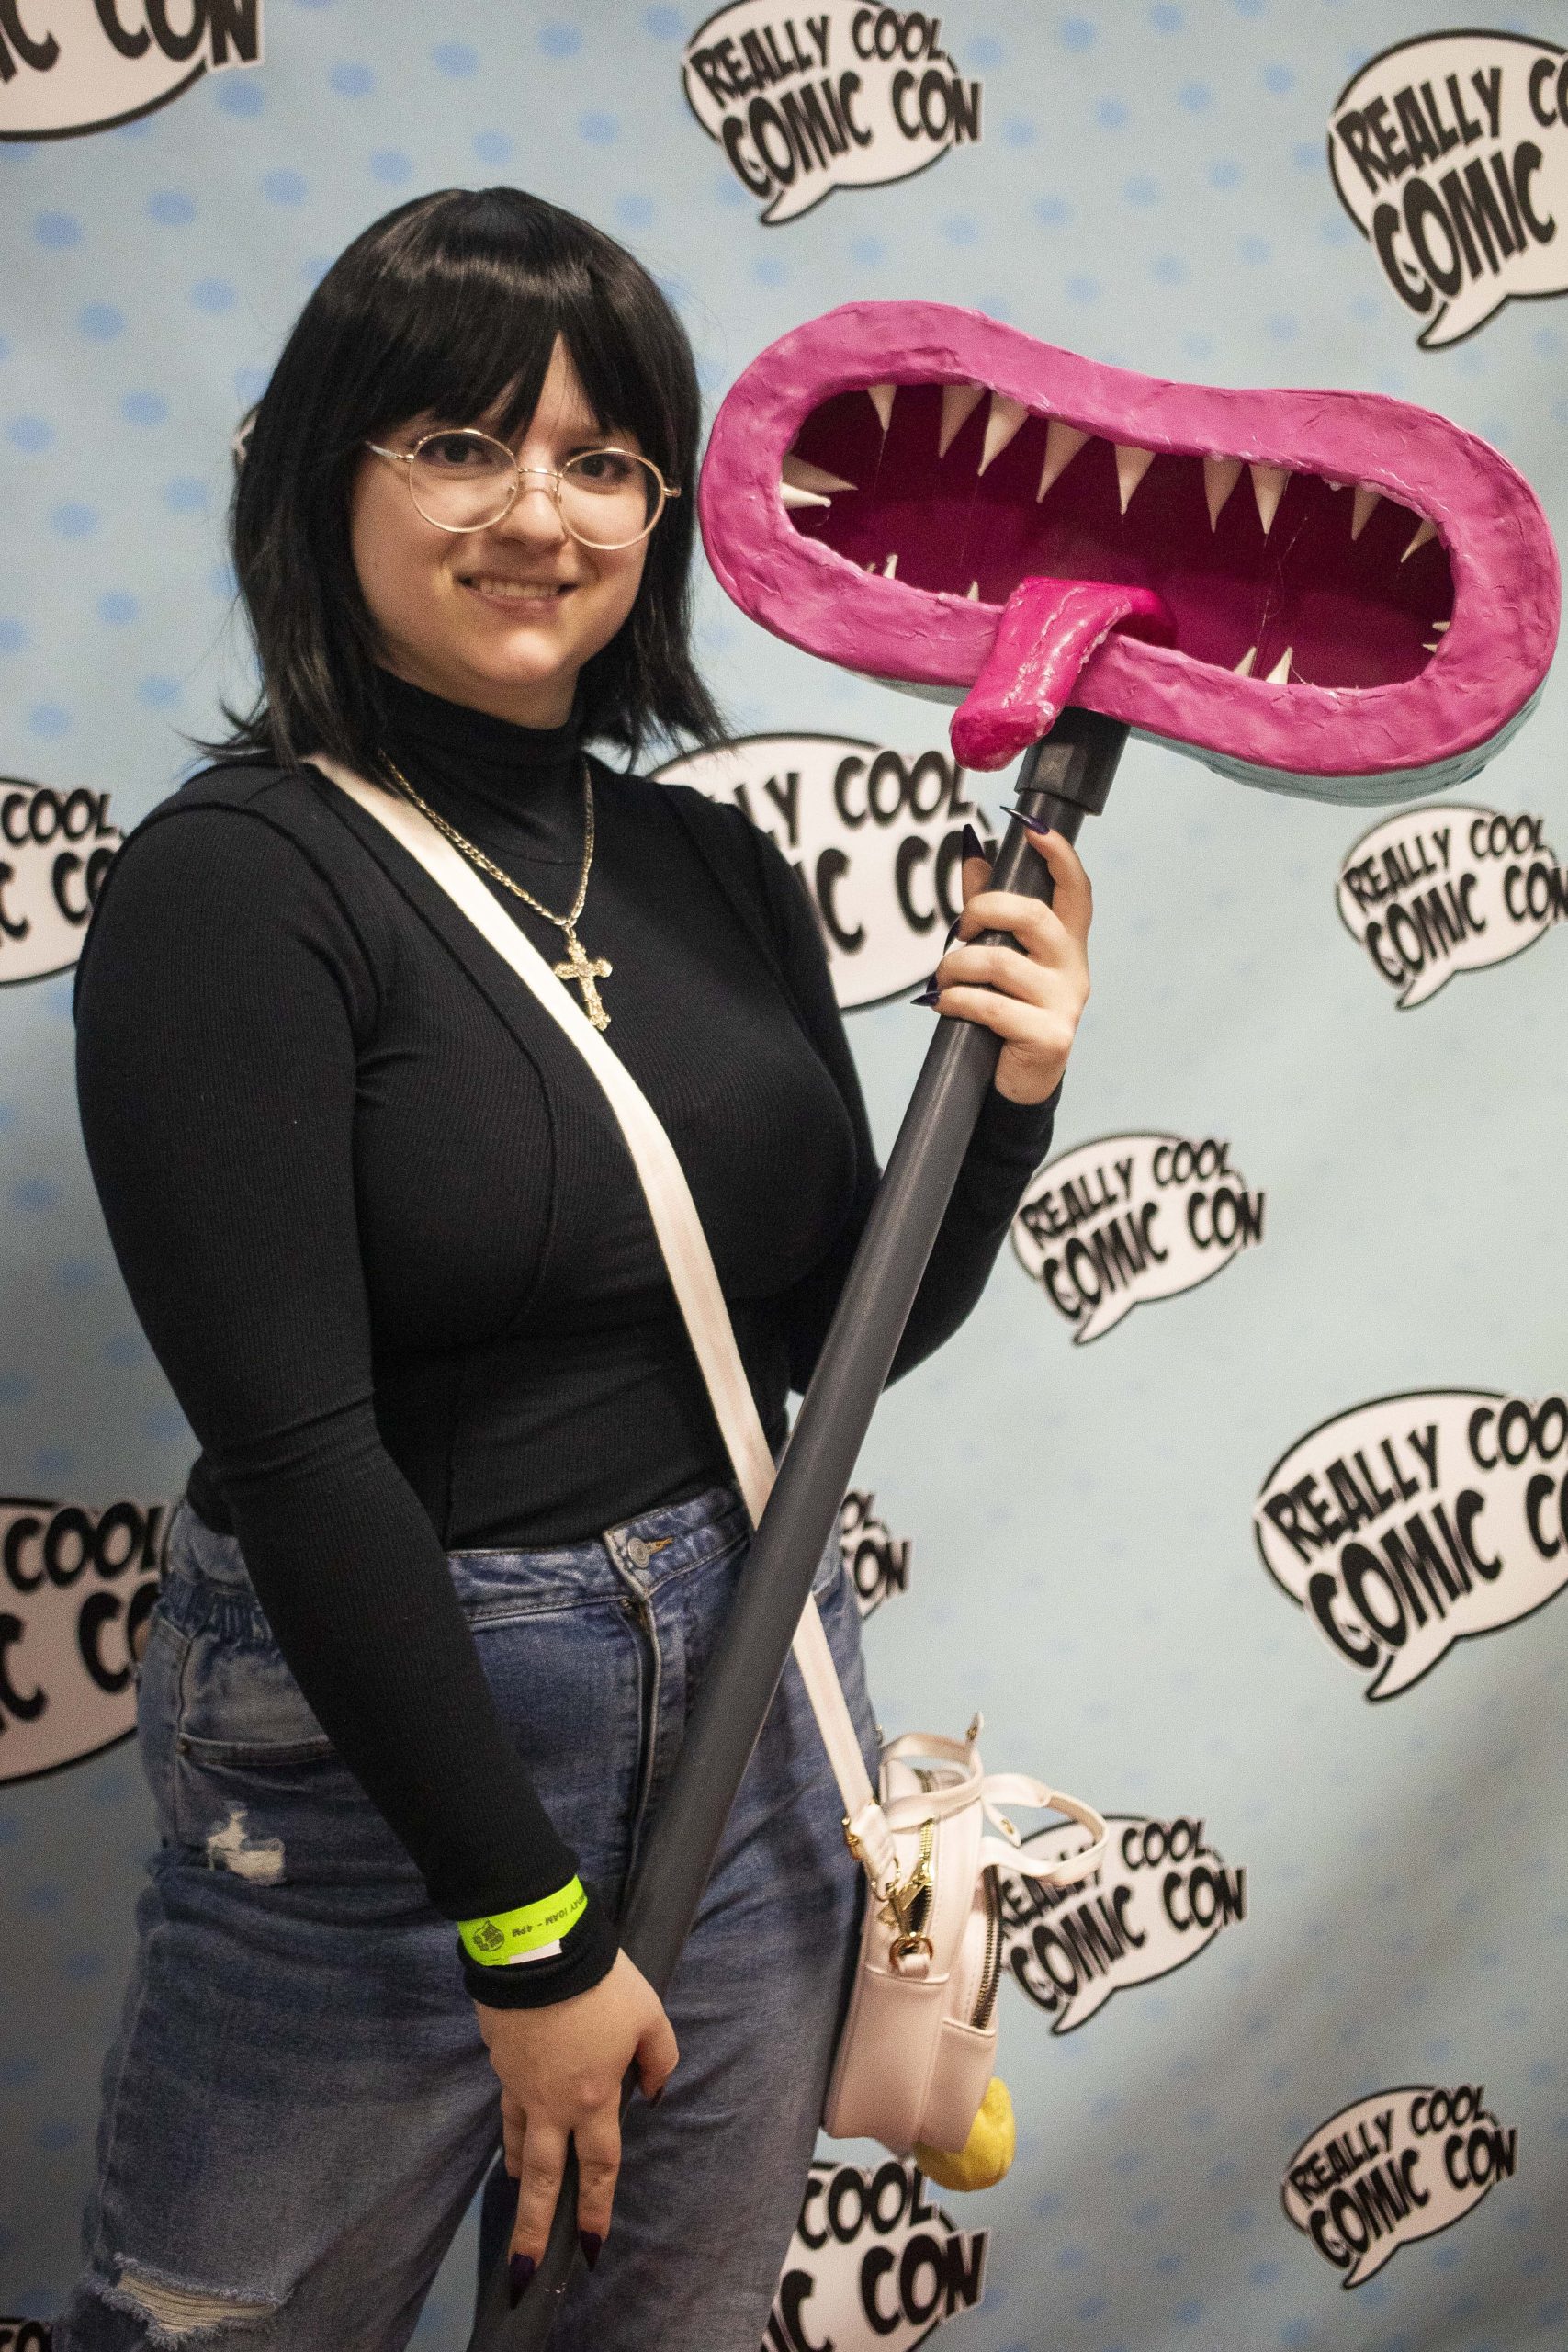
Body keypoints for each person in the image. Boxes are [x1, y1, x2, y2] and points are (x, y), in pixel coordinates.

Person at [58, 187, 1093, 2352]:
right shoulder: (236, 889)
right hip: (394, 1744)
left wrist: (996, 1111)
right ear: (322, 471)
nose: (538, 511)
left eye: (600, 459)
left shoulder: (711, 859)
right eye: (455, 440)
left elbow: (821, 1349)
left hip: (747, 1682)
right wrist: (523, 1939)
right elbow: (306, 1452)